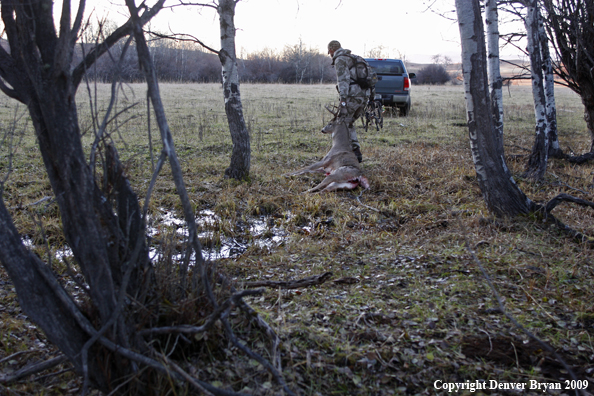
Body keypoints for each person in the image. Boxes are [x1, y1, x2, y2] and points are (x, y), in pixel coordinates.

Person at [327, 40, 372, 163]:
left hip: (352, 95)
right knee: (349, 122)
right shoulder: (354, 58)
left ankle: (352, 153)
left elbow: (343, 80)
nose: (330, 54)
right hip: (364, 95)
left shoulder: (340, 59)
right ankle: (353, 152)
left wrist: (343, 101)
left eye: (329, 52)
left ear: (331, 50)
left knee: (343, 123)